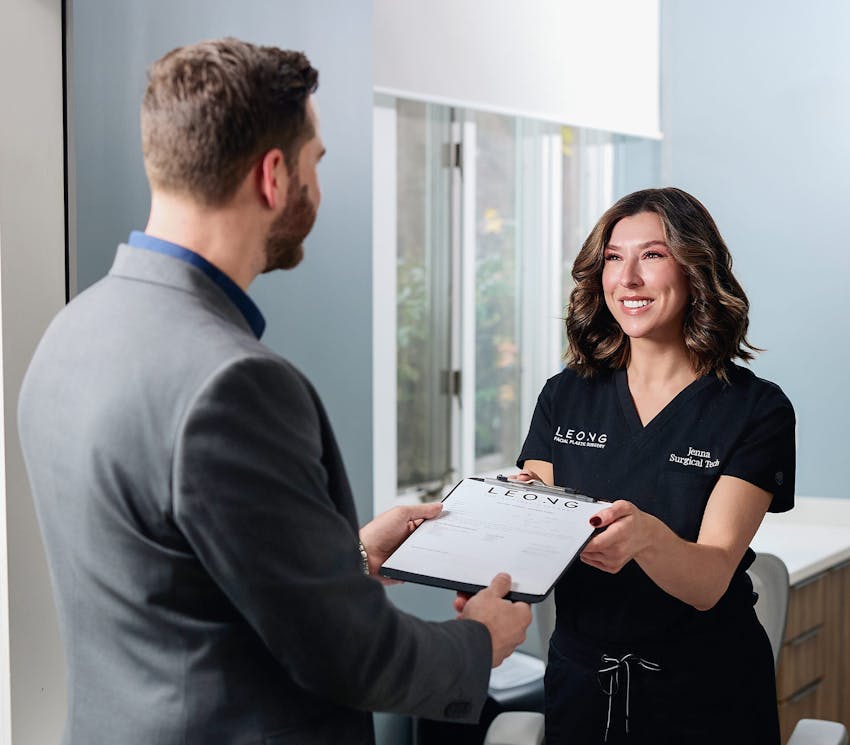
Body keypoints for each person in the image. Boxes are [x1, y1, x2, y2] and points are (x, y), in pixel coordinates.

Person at [17, 38, 531, 745]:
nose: (317, 187)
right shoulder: (234, 384)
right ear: (272, 177)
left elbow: (177, 578)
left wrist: (342, 559)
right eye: (314, 163)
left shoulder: (72, 331)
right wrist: (481, 641)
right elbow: (351, 656)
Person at [513, 188, 794, 744]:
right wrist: (502, 516)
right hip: (583, 687)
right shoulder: (565, 395)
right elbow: (536, 528)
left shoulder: (754, 409)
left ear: (694, 268)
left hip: (708, 695)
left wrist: (643, 538)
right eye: (614, 258)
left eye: (653, 255)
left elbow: (710, 579)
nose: (628, 279)